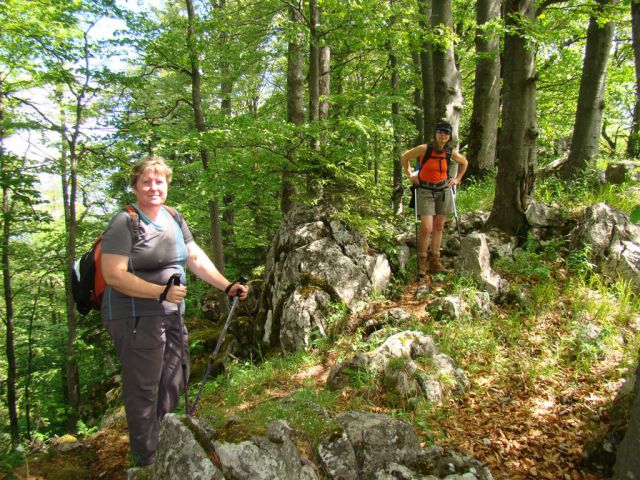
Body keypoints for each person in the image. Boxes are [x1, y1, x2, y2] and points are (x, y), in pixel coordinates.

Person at [100, 156, 248, 467]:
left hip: (170, 312)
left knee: (173, 376)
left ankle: (164, 444)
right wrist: (160, 292)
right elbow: (113, 274)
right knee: (144, 385)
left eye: (159, 181)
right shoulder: (124, 222)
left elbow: (193, 257)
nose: (154, 187)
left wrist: (225, 285)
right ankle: (147, 462)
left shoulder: (173, 217)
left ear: (167, 184)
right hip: (134, 316)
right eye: (146, 181)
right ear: (136, 186)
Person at [401, 121, 468, 276]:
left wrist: (457, 179)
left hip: (443, 191)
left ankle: (435, 260)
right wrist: (410, 174)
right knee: (426, 227)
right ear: (435, 134)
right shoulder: (425, 149)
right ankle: (422, 261)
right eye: (440, 132)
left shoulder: (450, 152)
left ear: (449, 136)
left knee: (438, 226)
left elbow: (464, 163)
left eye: (446, 133)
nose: (443, 135)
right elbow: (405, 157)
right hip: (424, 190)